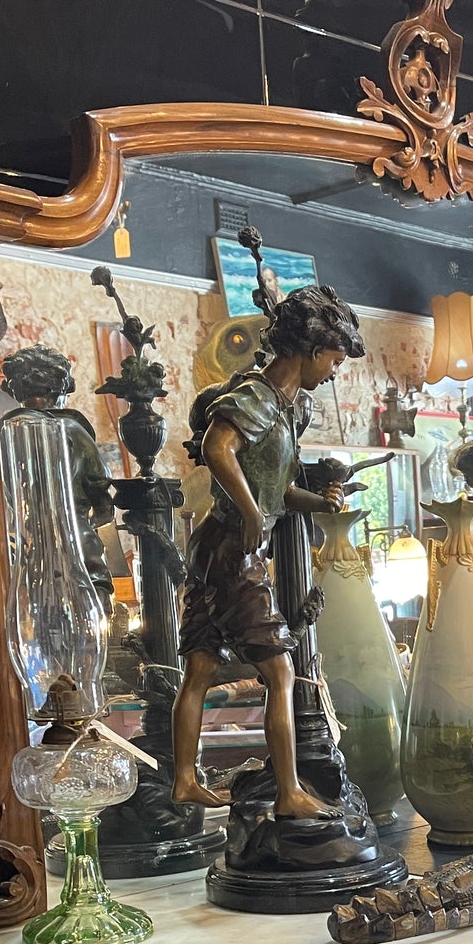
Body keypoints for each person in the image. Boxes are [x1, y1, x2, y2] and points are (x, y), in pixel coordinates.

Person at [170, 284, 363, 814]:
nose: (334, 369)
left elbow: (277, 492)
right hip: (233, 546)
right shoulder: (257, 397)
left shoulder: (285, 410)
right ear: (309, 349)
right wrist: (254, 512)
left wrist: (317, 502)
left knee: (202, 666)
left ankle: (185, 780)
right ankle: (289, 793)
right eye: (335, 357)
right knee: (280, 671)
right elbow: (216, 447)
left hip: (218, 544)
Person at [0, 345, 118, 609]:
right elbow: (99, 481)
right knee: (92, 588)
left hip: (24, 536)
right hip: (75, 529)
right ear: (60, 388)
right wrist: (102, 511)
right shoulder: (71, 427)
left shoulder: (2, 434)